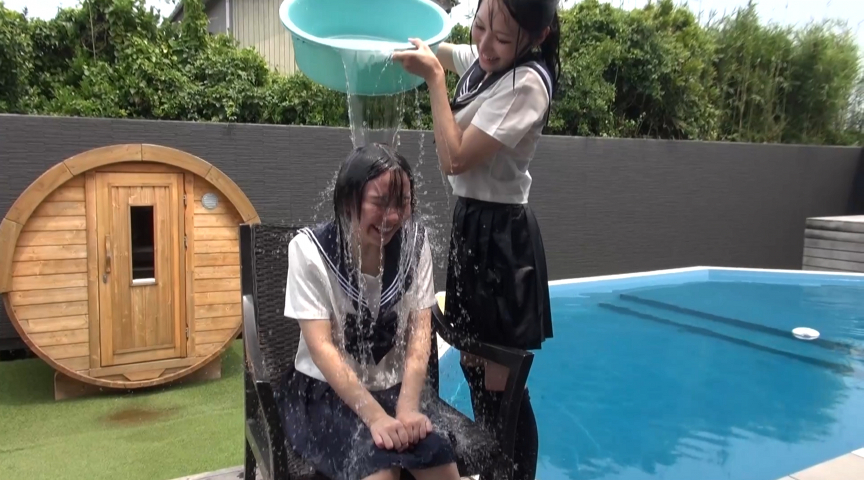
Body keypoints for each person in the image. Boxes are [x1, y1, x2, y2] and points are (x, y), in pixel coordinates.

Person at [393, 0, 560, 478]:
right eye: (480, 26)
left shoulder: (527, 84)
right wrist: (415, 43)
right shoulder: (488, 62)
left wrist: (434, 79)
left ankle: (512, 472)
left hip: (503, 240)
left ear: (537, 37)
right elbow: (447, 53)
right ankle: (495, 468)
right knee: (473, 364)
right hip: (472, 224)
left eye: (502, 38)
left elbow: (455, 158)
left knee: (501, 386)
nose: (485, 45)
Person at [276, 143, 461, 480]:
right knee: (381, 472)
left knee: (441, 465)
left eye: (402, 203)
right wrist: (376, 417)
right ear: (349, 200)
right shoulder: (308, 250)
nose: (393, 217)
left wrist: (407, 408)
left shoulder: (415, 244)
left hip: (395, 388)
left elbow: (421, 334)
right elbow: (321, 348)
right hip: (327, 393)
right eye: (380, 203)